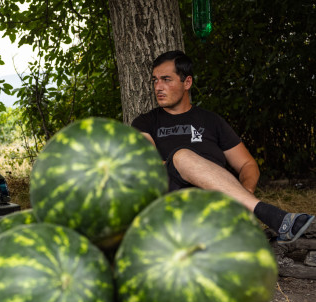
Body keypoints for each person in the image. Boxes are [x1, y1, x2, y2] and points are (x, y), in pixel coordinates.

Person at [131, 50, 314, 243]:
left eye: (166, 79)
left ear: (187, 83)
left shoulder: (212, 121)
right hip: (172, 201)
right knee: (182, 157)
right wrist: (191, 169)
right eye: (155, 80)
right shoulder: (144, 123)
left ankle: (238, 212)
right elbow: (149, 163)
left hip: (215, 204)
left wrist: (245, 192)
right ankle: (273, 216)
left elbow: (247, 164)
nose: (158, 87)